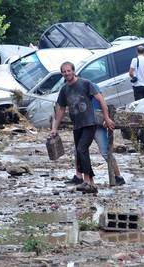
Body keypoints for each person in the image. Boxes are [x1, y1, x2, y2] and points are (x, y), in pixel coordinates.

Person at [51, 61, 115, 194]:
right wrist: (54, 128)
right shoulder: (64, 89)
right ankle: (91, 183)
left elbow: (101, 100)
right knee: (81, 152)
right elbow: (61, 109)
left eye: (69, 70)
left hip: (89, 123)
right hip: (77, 125)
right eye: (64, 71)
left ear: (73, 71)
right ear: (62, 73)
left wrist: (107, 118)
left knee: (81, 149)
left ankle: (86, 181)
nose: (67, 73)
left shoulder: (85, 83)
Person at [67, 84, 126, 187]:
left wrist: (106, 118)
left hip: (97, 124)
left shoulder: (90, 86)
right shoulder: (72, 91)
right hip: (85, 125)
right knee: (78, 151)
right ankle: (79, 177)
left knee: (105, 152)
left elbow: (102, 102)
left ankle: (118, 177)